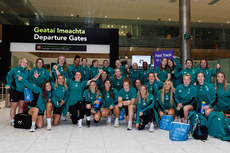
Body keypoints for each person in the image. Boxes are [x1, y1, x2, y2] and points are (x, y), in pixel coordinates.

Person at [5, 58, 29, 126]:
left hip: (23, 91)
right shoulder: (15, 69)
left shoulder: (27, 71)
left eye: (26, 63)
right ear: (20, 62)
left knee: (21, 106)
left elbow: (28, 80)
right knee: (14, 106)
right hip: (15, 90)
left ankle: (19, 119)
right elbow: (8, 76)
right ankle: (12, 120)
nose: (25, 64)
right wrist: (7, 84)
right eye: (23, 62)